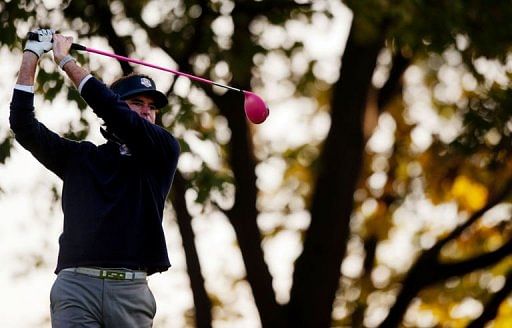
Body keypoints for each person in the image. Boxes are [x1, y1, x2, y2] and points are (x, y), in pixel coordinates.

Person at [10, 29, 180, 327]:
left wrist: (66, 62)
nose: (146, 112)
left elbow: (116, 114)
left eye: (151, 107)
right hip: (76, 288)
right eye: (137, 103)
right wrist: (31, 55)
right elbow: (23, 126)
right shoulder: (80, 158)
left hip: (130, 291)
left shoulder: (163, 151)